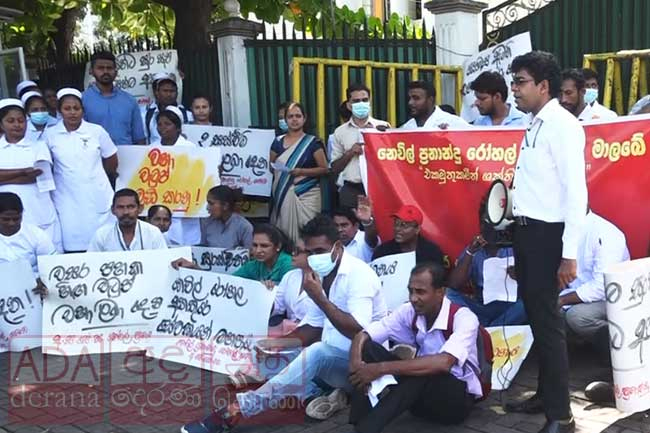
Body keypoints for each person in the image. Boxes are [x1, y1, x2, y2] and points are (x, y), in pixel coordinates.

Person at [180, 214, 388, 432]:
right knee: (261, 354)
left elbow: (358, 331)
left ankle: (237, 410)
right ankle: (315, 395)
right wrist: (277, 344)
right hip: (330, 358)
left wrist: (320, 298)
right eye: (309, 251)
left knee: (315, 353)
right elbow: (313, 327)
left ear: (337, 247)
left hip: (361, 366)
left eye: (319, 252)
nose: (313, 257)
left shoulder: (359, 275)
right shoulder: (320, 273)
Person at [505, 51, 587, 433]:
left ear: (543, 86)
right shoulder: (534, 123)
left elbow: (576, 195)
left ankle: (561, 415)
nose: (514, 89)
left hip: (548, 236)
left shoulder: (563, 126)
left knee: (549, 323)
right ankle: (545, 394)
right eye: (514, 82)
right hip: (526, 232)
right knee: (537, 317)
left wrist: (568, 256)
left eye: (520, 82)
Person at [346, 262, 481, 433]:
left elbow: (444, 362)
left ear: (440, 292)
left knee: (426, 369)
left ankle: (366, 429)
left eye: (421, 292)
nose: (413, 298)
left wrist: (379, 369)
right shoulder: (409, 311)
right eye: (411, 290)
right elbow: (363, 335)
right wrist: (356, 364)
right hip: (419, 399)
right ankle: (358, 421)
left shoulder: (464, 318)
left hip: (454, 403)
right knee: (369, 348)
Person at [559, 210, 629, 405]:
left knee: (577, 317)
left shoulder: (605, 233)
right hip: (576, 296)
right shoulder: (564, 231)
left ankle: (619, 366)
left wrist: (563, 301)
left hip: (615, 299)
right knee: (544, 310)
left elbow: (602, 287)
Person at [45, 88, 118, 252]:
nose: (72, 113)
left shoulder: (96, 131)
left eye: (76, 108)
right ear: (59, 110)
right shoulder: (50, 135)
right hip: (67, 198)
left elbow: (111, 160)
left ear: (82, 110)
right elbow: (47, 167)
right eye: (67, 109)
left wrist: (95, 179)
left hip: (97, 194)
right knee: (74, 246)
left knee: (105, 245)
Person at [445, 201, 527, 327]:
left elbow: (536, 283)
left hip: (511, 308)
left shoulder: (515, 246)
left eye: (492, 223)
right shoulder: (474, 249)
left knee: (529, 303)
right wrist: (470, 252)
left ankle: (488, 330)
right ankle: (494, 327)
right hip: (482, 308)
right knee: (447, 295)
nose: (487, 227)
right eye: (483, 223)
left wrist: (521, 275)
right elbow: (453, 284)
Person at [0, 98, 62, 251]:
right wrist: (22, 171)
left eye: (21, 120)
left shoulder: (39, 146)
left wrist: (4, 178)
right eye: (11, 121)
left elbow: (38, 175)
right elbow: (27, 175)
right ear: (1, 124)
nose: (17, 125)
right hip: (7, 214)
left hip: (38, 209)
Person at [269, 102, 329, 244]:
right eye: (290, 116)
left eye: (298, 116)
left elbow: (324, 169)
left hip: (307, 195)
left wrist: (301, 171)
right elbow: (271, 167)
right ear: (285, 119)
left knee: (308, 233)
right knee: (283, 235)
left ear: (304, 118)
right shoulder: (277, 142)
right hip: (283, 193)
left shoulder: (313, 142)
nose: (294, 120)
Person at [331, 83, 390, 209]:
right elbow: (334, 168)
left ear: (369, 102)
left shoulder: (383, 127)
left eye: (364, 100)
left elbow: (393, 161)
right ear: (349, 105)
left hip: (379, 188)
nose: (361, 104)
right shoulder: (340, 132)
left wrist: (379, 138)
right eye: (356, 101)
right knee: (349, 226)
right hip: (352, 190)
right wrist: (350, 153)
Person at [150, 106, 203, 246]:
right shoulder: (152, 148)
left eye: (167, 124)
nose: (162, 128)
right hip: (162, 202)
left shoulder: (190, 147)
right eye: (159, 124)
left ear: (178, 128)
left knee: (187, 244)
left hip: (185, 203)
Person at [82, 51, 146, 145]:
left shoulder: (130, 100)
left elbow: (139, 137)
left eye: (109, 68)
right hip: (96, 157)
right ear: (91, 71)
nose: (105, 71)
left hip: (128, 156)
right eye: (100, 68)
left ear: (116, 71)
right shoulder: (82, 100)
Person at [88, 189, 167, 252]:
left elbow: (163, 260)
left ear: (140, 208)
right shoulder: (102, 235)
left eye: (131, 207)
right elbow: (91, 263)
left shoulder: (153, 233)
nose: (126, 212)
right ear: (113, 210)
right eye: (120, 207)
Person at [0, 192, 56, 276]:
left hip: (34, 282)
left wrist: (43, 281)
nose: (11, 223)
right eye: (6, 219)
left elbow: (52, 263)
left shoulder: (36, 234)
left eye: (16, 219)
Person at [372, 205, 445, 266]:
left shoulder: (431, 252)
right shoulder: (382, 252)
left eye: (404, 225)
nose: (397, 228)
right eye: (396, 224)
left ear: (417, 229)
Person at [143, 72, 193, 144]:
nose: (169, 94)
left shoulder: (188, 115)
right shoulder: (146, 115)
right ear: (157, 92)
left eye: (172, 91)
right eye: (165, 91)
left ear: (177, 93)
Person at [200, 185, 253, 249]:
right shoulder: (206, 223)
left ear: (225, 206)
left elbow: (249, 253)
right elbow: (201, 249)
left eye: (211, 203)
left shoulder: (244, 227)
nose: (207, 208)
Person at [400, 81, 469, 130]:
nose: (410, 102)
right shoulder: (406, 128)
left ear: (430, 100)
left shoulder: (454, 123)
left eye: (416, 98)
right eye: (409, 98)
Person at [333, 198, 379, 264]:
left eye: (344, 225)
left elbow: (372, 240)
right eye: (336, 225)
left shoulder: (363, 238)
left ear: (356, 226)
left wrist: (367, 222)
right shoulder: (332, 244)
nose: (339, 229)